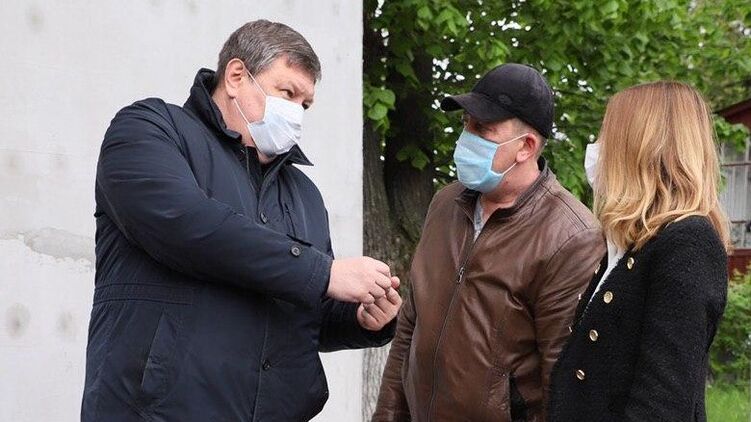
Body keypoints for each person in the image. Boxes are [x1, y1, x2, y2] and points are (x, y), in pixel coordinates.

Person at [81, 20, 401, 421]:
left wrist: (361, 320)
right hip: (158, 411)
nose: (296, 113)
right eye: (288, 93)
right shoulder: (152, 128)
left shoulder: (303, 194)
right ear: (236, 76)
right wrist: (323, 273)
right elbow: (183, 224)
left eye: (305, 104)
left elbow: (307, 308)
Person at [373, 63, 606, 421]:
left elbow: (560, 381)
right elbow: (409, 328)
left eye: (482, 128)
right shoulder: (445, 203)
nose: (466, 137)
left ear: (526, 146)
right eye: (466, 123)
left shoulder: (571, 236)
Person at [548, 81, 730, 421]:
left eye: (607, 135)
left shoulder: (687, 244)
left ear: (639, 147)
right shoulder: (632, 244)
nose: (597, 148)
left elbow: (660, 406)